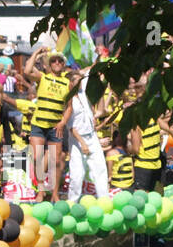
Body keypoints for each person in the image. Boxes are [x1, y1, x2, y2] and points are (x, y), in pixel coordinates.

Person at [24, 47, 75, 200]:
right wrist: (37, 53)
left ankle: (54, 193)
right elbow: (27, 71)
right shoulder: (43, 77)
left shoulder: (68, 83)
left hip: (55, 126)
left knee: (57, 160)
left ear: (63, 64)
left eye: (60, 60)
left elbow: (70, 107)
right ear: (49, 64)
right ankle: (41, 190)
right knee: (37, 158)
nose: (57, 62)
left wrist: (63, 122)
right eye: (54, 60)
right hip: (39, 123)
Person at [61, 72, 109, 200]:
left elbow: (91, 73)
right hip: (77, 140)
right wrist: (82, 143)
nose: (81, 82)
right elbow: (71, 127)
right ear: (71, 83)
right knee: (77, 174)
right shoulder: (68, 100)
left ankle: (104, 201)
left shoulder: (83, 94)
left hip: (91, 136)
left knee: (100, 169)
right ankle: (72, 203)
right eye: (77, 80)